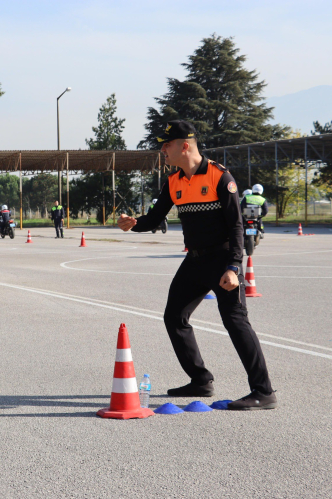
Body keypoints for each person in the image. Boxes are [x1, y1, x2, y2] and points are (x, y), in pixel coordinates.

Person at [117, 119, 276, 410]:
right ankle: (201, 380)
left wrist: (234, 267)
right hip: (194, 260)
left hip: (223, 260)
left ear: (184, 146)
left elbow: (236, 226)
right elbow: (154, 219)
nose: (163, 150)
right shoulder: (174, 181)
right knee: (174, 317)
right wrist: (133, 223)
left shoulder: (219, 177)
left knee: (235, 320)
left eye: (166, 145)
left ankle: (263, 391)